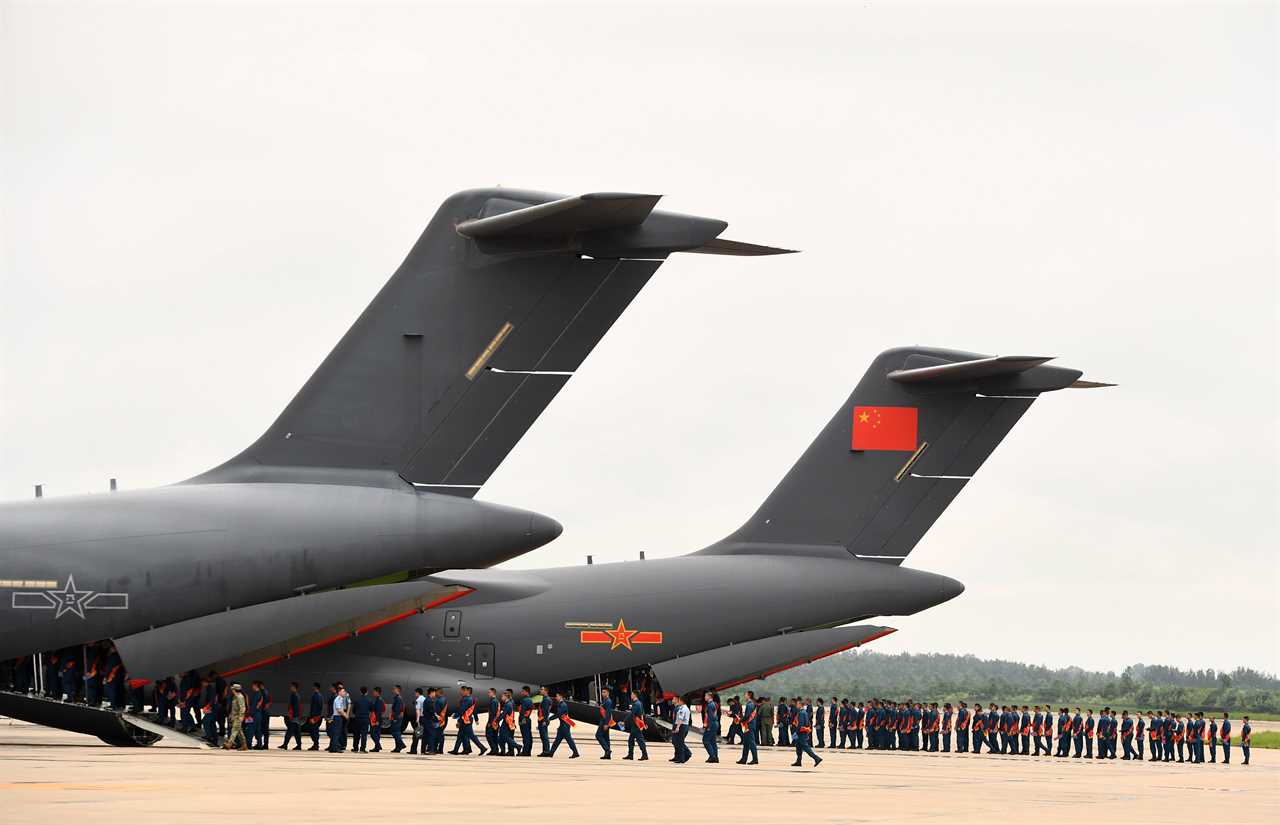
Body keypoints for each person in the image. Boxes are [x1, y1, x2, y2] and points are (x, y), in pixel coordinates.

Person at [451, 685, 486, 755]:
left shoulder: (467, 699)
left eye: (462, 691)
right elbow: (474, 710)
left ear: (467, 691)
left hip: (466, 720)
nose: (461, 692)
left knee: (471, 736)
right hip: (465, 719)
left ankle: (482, 748)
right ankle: (456, 750)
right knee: (460, 736)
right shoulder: (471, 699)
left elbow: (462, 709)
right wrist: (476, 719)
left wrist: (455, 715)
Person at [546, 689, 580, 758]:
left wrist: (549, 718)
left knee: (568, 739)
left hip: (565, 725)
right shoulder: (561, 704)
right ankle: (551, 752)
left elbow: (559, 714)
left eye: (557, 696)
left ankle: (575, 752)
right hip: (563, 724)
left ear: (560, 696)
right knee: (557, 740)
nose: (556, 697)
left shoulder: (563, 705)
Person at [791, 700, 822, 768]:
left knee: (806, 748)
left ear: (800, 705)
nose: (796, 705)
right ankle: (798, 761)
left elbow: (801, 724)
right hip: (802, 732)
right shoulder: (803, 712)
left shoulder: (802, 713)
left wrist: (797, 732)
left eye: (797, 704)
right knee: (798, 747)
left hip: (801, 733)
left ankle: (817, 758)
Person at [623, 689, 649, 761]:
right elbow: (643, 714)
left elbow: (632, 714)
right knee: (631, 740)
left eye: (632, 694)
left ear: (635, 695)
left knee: (640, 740)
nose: (631, 695)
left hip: (636, 724)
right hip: (637, 724)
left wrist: (624, 721)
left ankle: (644, 754)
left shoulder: (636, 704)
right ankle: (630, 755)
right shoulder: (639, 703)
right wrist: (644, 723)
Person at [224, 683, 249, 751]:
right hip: (234, 716)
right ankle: (244, 745)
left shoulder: (240, 697)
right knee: (239, 732)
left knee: (234, 730)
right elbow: (234, 708)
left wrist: (240, 717)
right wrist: (230, 715)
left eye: (233, 689)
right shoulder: (235, 696)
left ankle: (229, 744)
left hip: (238, 717)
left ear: (234, 690)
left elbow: (242, 708)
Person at [736, 690, 758, 765]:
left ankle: (755, 759)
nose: (744, 696)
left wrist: (741, 720)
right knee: (746, 743)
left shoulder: (750, 705)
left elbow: (747, 716)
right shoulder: (752, 704)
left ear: (749, 695)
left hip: (749, 726)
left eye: (745, 695)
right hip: (749, 725)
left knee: (751, 743)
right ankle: (743, 759)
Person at [281, 681, 302, 750]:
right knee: (297, 732)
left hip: (294, 716)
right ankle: (298, 745)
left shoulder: (294, 695)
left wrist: (291, 715)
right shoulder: (297, 695)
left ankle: (285, 744)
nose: (290, 688)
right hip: (296, 716)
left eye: (291, 686)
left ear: (294, 687)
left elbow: (294, 706)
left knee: (290, 731)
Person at [671, 695, 692, 764]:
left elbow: (680, 719)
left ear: (682, 701)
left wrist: (677, 727)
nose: (678, 702)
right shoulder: (685, 708)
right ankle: (681, 758)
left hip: (682, 726)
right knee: (680, 742)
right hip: (684, 726)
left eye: (679, 700)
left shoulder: (682, 709)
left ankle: (685, 755)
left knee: (680, 742)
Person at [327, 684, 349, 753]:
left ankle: (332, 747)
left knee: (335, 733)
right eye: (343, 691)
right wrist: (345, 715)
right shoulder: (338, 699)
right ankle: (335, 748)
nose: (344, 693)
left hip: (337, 717)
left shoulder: (340, 699)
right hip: (337, 717)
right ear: (339, 692)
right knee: (337, 733)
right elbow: (339, 709)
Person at [596, 687, 615, 759]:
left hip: (605, 721)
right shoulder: (605, 700)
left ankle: (607, 750)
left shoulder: (608, 701)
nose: (603, 693)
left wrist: (606, 724)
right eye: (602, 692)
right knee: (606, 737)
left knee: (598, 735)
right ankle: (607, 755)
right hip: (604, 720)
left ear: (608, 693)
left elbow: (608, 713)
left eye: (604, 692)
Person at [702, 691, 720, 763]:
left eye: (705, 696)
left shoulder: (709, 705)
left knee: (705, 740)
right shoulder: (715, 704)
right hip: (715, 723)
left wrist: (707, 725)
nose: (704, 697)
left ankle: (712, 756)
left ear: (709, 697)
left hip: (711, 724)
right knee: (713, 741)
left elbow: (710, 717)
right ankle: (715, 756)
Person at [484, 688, 502, 755]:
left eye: (489, 692)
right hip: (495, 722)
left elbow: (493, 713)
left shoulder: (493, 701)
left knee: (489, 736)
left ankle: (494, 749)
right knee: (494, 736)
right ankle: (495, 749)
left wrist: (490, 722)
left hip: (493, 722)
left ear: (493, 693)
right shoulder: (495, 701)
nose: (488, 694)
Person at [307, 683, 324, 751]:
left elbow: (317, 707)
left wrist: (314, 717)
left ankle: (316, 745)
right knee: (314, 731)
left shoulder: (316, 696)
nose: (312, 687)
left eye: (313, 686)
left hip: (314, 716)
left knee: (314, 731)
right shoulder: (319, 696)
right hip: (315, 716)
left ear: (316, 687)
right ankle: (315, 744)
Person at [518, 686, 535, 756]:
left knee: (526, 737)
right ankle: (528, 751)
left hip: (524, 719)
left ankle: (525, 752)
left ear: (526, 692)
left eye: (522, 691)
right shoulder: (530, 700)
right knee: (528, 736)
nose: (521, 693)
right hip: (527, 719)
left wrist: (521, 720)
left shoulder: (525, 700)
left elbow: (522, 712)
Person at [388, 685, 406, 753]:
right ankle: (397, 747)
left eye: (394, 689)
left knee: (395, 732)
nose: (393, 690)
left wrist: (394, 718)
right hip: (396, 717)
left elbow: (397, 710)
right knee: (396, 732)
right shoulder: (397, 698)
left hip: (396, 718)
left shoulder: (398, 699)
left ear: (398, 690)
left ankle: (401, 744)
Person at [537, 686, 553, 756]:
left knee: (544, 736)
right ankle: (545, 751)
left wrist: (545, 721)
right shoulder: (545, 699)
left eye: (541, 689)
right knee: (543, 736)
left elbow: (546, 711)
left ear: (546, 691)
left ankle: (546, 751)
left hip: (543, 720)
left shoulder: (546, 700)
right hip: (542, 719)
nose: (540, 691)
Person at [369, 687, 385, 752]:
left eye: (374, 692)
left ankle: (378, 745)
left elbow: (378, 711)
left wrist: (377, 721)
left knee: (372, 733)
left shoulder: (378, 700)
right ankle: (377, 747)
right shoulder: (379, 700)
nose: (373, 693)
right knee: (377, 734)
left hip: (376, 719)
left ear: (377, 692)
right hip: (378, 718)